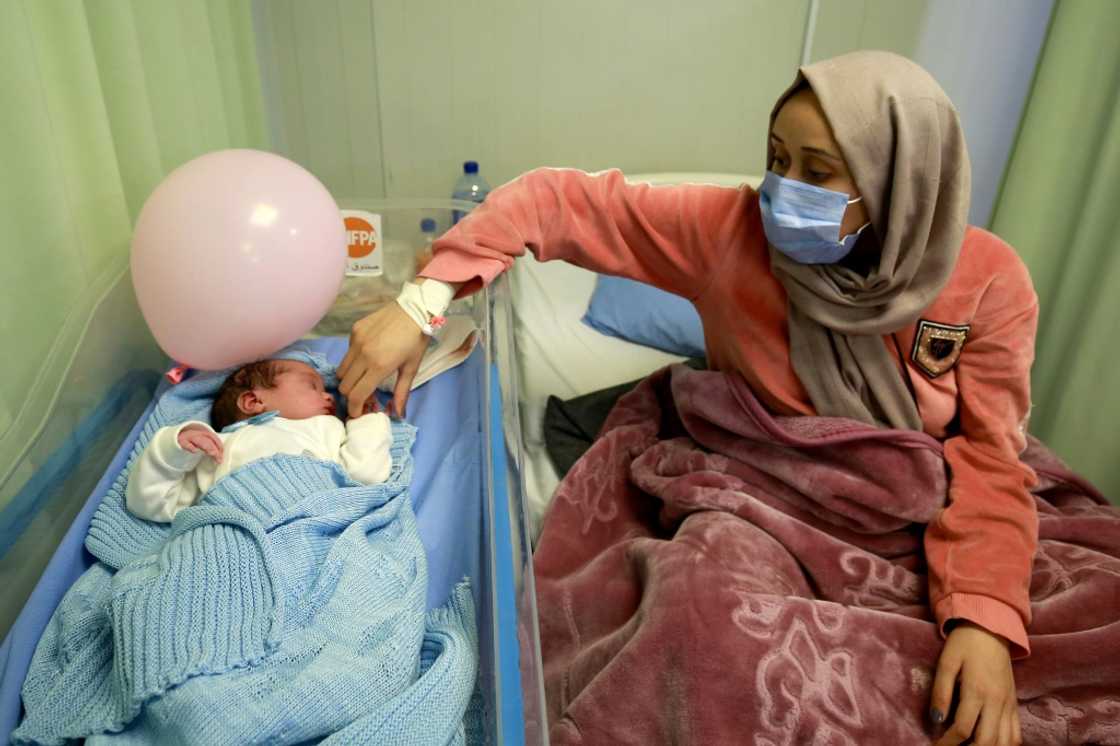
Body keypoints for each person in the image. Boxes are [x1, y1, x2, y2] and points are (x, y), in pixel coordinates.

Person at [339, 50, 1035, 746]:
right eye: (775, 158)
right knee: (704, 625)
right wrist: (419, 301)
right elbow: (556, 203)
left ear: (899, 179)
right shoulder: (729, 233)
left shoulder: (986, 280)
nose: (784, 190)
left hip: (910, 515)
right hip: (754, 487)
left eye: (818, 172)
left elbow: (991, 457)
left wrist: (982, 619)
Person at [126, 358, 392, 523]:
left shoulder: (329, 431)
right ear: (253, 401)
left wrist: (365, 423)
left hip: (305, 533)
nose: (330, 397)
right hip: (228, 537)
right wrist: (174, 448)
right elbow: (149, 504)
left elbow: (364, 475)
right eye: (313, 386)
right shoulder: (218, 446)